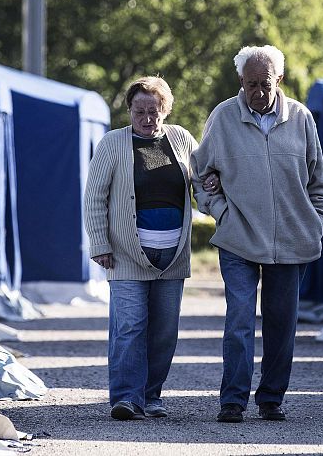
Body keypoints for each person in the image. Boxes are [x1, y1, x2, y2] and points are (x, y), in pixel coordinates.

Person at [191, 45, 323, 423]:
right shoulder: (223, 117)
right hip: (238, 238)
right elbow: (200, 175)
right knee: (239, 320)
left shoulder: (301, 118)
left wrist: (315, 221)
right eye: (250, 83)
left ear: (279, 80)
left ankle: (271, 398)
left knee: (281, 324)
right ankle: (233, 400)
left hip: (292, 239)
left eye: (264, 83)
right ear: (241, 81)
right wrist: (220, 212)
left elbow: (319, 182)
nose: (257, 91)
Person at [83, 76, 218, 421]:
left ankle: (151, 395)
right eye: (139, 111)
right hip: (126, 253)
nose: (146, 118)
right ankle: (127, 398)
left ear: (165, 110)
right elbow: (95, 197)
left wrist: (212, 185)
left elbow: (201, 181)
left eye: (153, 111)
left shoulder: (181, 139)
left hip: (172, 256)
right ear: (129, 110)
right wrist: (100, 243)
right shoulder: (112, 144)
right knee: (130, 326)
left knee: (164, 332)